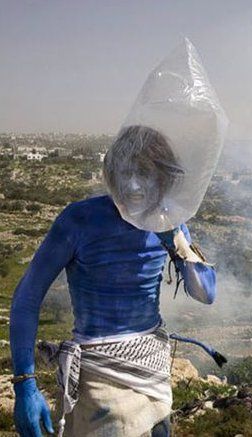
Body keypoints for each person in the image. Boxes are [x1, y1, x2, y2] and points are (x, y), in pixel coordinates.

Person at [10, 125, 217, 436]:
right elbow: (27, 298)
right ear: (111, 173)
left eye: (144, 173)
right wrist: (25, 385)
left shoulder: (167, 221)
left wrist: (176, 239)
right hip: (97, 377)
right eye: (125, 172)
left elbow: (206, 294)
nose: (133, 184)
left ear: (163, 178)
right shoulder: (80, 220)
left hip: (151, 372)